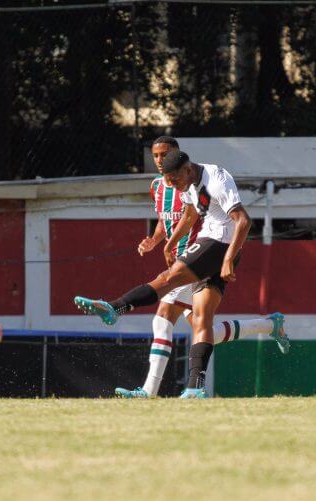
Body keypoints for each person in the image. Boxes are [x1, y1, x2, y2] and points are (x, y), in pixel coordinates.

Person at [76, 150, 271, 398]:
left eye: (175, 180)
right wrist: (169, 244)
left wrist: (229, 259)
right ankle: (195, 388)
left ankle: (116, 308)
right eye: (168, 181)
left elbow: (243, 221)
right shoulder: (186, 182)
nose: (172, 186)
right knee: (202, 320)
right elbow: (190, 216)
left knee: (167, 280)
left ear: (188, 169)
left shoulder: (217, 179)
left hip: (219, 243)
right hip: (211, 243)